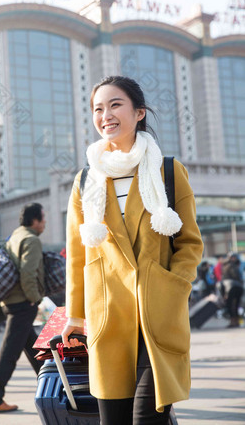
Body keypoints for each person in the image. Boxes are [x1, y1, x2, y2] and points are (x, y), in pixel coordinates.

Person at [62, 76, 204, 425]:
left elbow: (190, 242)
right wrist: (75, 317)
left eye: (115, 105)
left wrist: (174, 286)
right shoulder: (85, 182)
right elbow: (78, 256)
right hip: (108, 318)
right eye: (98, 108)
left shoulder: (168, 171)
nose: (105, 115)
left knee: (147, 417)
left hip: (158, 314)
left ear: (139, 112)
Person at [0, 202, 46, 413]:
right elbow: (28, 273)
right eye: (43, 218)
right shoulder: (31, 240)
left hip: (11, 300)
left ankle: (54, 386)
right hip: (22, 303)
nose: (44, 222)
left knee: (36, 349)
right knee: (9, 353)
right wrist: (34, 299)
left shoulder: (16, 236)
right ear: (34, 221)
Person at [222, 253, 244, 328]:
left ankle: (233, 321)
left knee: (230, 305)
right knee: (236, 305)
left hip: (230, 287)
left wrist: (225, 293)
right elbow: (237, 277)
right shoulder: (234, 266)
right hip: (237, 287)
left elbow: (226, 279)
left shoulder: (227, 266)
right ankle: (236, 321)